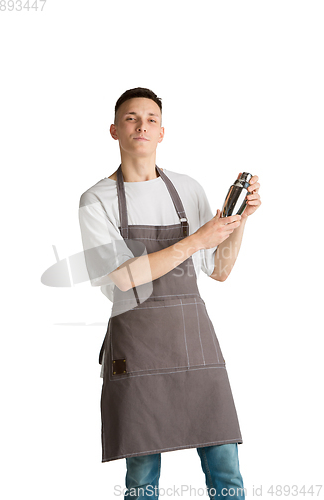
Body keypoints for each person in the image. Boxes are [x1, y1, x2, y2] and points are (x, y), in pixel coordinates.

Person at [78, 88, 261, 500]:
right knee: (142, 478)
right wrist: (196, 240)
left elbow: (219, 270)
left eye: (151, 119)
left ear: (163, 132)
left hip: (193, 340)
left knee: (226, 470)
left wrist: (240, 220)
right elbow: (125, 278)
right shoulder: (96, 200)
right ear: (114, 130)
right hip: (137, 346)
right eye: (130, 118)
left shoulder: (188, 188)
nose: (141, 125)